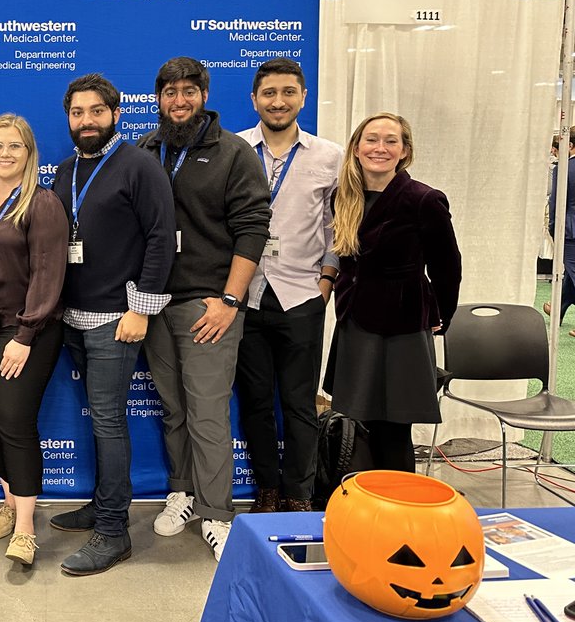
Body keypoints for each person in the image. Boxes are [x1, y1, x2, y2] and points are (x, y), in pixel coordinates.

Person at [138, 56, 270, 562]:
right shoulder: (146, 149)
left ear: (205, 95)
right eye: (169, 92)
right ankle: (183, 493)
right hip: (153, 303)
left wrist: (231, 301)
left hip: (207, 305)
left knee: (208, 413)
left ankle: (218, 512)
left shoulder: (233, 152)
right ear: (158, 98)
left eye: (189, 91)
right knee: (173, 409)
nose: (179, 100)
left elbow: (254, 228)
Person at [49, 73, 176, 576]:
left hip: (116, 321)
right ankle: (102, 503)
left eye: (95, 112)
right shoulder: (64, 171)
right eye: (77, 114)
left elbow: (161, 239)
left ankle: (113, 529)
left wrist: (141, 310)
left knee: (107, 420)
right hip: (73, 318)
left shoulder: (139, 166)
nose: (86, 122)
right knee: (98, 418)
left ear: (115, 114)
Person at [0, 114, 68, 567]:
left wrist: (25, 334)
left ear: (29, 154)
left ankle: (25, 528)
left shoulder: (42, 203)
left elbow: (48, 273)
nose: (5, 153)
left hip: (27, 329)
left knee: (16, 421)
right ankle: (9, 500)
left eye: (15, 146)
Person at [324, 112, 462, 473]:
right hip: (355, 323)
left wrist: (441, 317)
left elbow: (448, 267)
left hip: (401, 329)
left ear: (405, 151)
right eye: (371, 139)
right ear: (356, 147)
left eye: (390, 141)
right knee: (358, 423)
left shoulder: (424, 200)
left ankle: (399, 510)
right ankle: (366, 506)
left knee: (395, 428)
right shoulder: (344, 197)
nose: (379, 148)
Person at [234, 58, 342, 513]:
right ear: (254, 99)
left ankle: (298, 493)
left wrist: (327, 280)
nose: (278, 101)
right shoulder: (234, 150)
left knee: (299, 403)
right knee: (256, 403)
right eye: (269, 93)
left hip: (302, 294)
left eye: (288, 92)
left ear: (302, 97)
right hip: (245, 296)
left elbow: (339, 226)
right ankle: (267, 490)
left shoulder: (330, 156)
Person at [546, 131, 575, 334]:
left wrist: (553, 228)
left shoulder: (564, 169)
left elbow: (557, 202)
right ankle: (558, 309)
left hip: (570, 229)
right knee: (571, 274)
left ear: (570, 145)